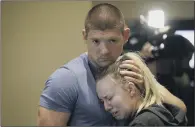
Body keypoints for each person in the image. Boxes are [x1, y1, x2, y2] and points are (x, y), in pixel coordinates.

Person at [37, 3, 186, 126]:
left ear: (125, 36)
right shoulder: (65, 80)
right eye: (96, 41)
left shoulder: (131, 69)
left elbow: (180, 109)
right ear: (84, 36)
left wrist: (146, 84)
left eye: (112, 41)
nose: (104, 51)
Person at [96, 52, 187, 126]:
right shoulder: (159, 115)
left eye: (109, 98)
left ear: (131, 89)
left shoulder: (142, 123)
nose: (106, 107)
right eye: (102, 101)